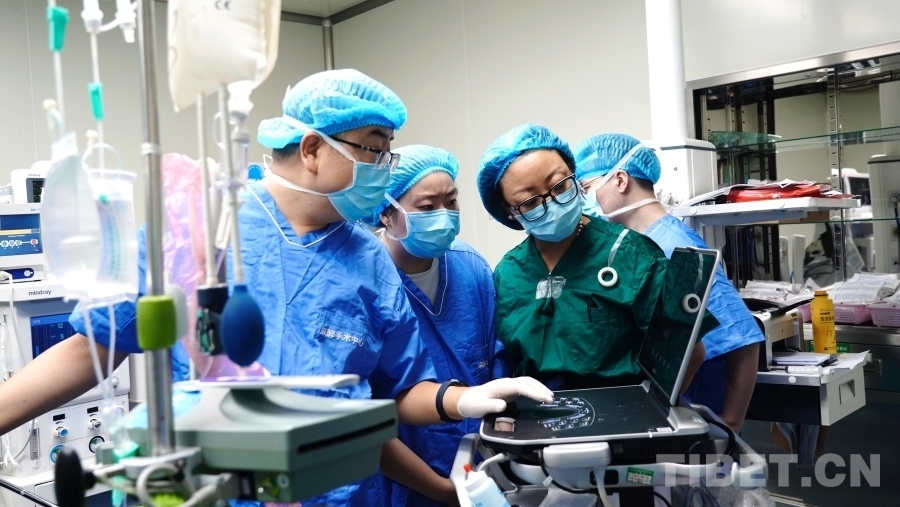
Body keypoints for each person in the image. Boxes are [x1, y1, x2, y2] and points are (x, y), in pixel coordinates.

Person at [0, 70, 554, 507]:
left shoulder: (369, 260)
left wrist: (461, 400)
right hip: (209, 489)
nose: (385, 169)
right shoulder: (199, 225)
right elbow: (94, 346)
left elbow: (398, 391)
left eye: (389, 151)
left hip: (338, 492)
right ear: (312, 149)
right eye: (373, 149)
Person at [477, 124, 707, 391]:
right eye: (529, 202)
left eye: (560, 186)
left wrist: (649, 408)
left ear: (574, 177)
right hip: (535, 414)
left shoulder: (634, 255)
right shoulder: (509, 272)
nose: (552, 203)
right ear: (509, 211)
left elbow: (689, 353)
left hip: (621, 413)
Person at [574, 133, 764, 433]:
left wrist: (730, 423)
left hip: (699, 418)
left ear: (620, 180)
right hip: (670, 415)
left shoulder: (674, 244)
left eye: (586, 189)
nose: (585, 201)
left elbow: (743, 336)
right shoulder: (639, 243)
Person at [366, 144, 508, 507]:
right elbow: (365, 415)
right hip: (402, 483)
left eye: (451, 201)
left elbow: (496, 360)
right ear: (386, 213)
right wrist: (442, 490)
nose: (444, 215)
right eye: (428, 207)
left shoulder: (470, 266)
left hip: (481, 468)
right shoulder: (366, 280)